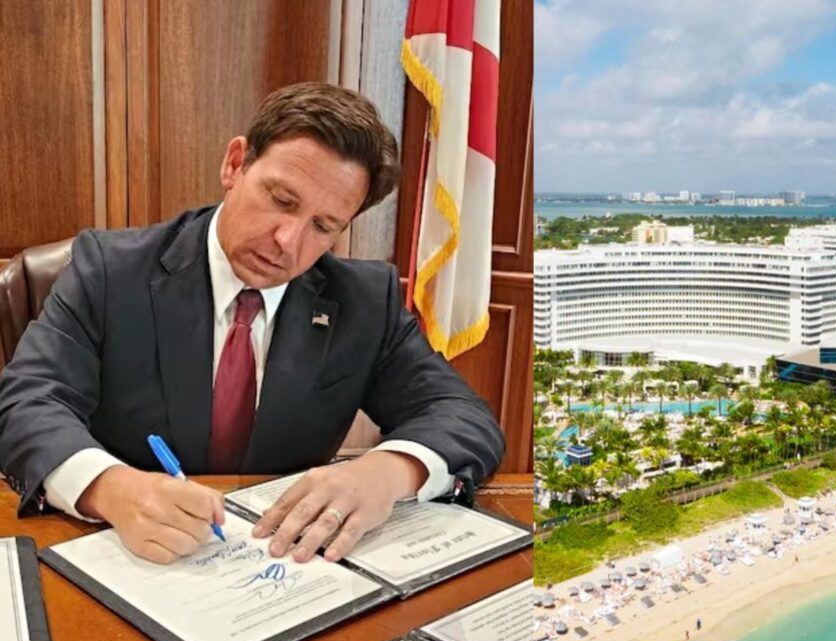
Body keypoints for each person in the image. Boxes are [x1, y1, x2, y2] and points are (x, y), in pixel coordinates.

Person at [0, 83, 504, 565]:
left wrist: (388, 472)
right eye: (282, 200)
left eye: (323, 226)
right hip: (123, 553)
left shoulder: (364, 301)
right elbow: (26, 403)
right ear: (235, 163)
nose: (288, 240)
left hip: (282, 567)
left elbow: (461, 415)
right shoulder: (110, 271)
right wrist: (108, 488)